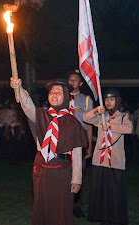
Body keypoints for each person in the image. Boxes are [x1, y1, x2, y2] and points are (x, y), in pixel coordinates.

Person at [10, 77, 87, 225]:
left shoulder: (73, 123)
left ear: (65, 96)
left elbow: (77, 154)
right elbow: (27, 105)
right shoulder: (40, 115)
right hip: (42, 169)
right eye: (52, 92)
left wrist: (77, 178)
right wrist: (18, 88)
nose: (54, 95)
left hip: (63, 171)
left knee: (61, 208)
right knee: (42, 206)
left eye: (59, 92)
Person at [84, 88, 132, 225]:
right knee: (101, 190)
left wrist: (111, 126)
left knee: (115, 191)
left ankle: (115, 217)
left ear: (117, 101)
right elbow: (85, 118)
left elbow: (128, 129)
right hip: (100, 160)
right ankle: (101, 216)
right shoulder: (101, 117)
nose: (109, 102)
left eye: (112, 99)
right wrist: (95, 110)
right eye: (106, 99)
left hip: (115, 161)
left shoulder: (123, 117)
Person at [66, 69, 94, 217]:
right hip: (64, 138)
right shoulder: (61, 97)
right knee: (64, 171)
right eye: (70, 79)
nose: (72, 82)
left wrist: (89, 146)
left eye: (75, 80)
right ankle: (64, 203)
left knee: (79, 171)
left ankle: (76, 204)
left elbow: (89, 125)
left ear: (81, 83)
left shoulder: (86, 100)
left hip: (80, 137)